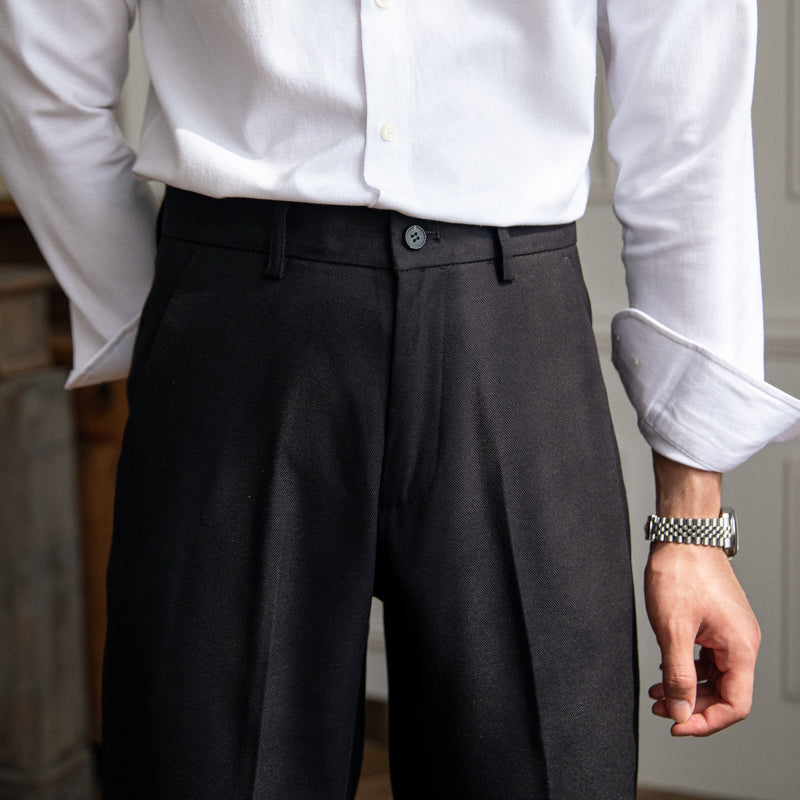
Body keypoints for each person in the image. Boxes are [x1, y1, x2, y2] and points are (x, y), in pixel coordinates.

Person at [1, 1, 798, 798]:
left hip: (513, 351)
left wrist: (693, 524)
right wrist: (167, 326)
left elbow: (687, 122)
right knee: (205, 768)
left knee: (546, 771)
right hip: (235, 340)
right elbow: (44, 67)